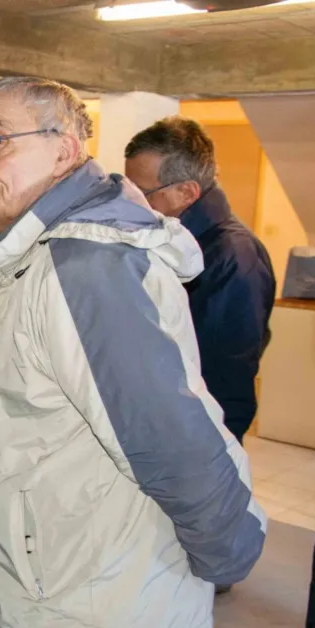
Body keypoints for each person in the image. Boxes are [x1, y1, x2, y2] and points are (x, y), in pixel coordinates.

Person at [0, 76, 266, 628]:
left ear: (65, 151)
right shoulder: (60, 252)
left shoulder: (82, 265)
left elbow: (167, 438)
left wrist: (228, 548)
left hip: (99, 609)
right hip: (85, 581)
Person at [125, 116, 275, 446]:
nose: (132, 204)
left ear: (186, 192)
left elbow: (223, 378)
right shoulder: (172, 241)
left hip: (192, 438)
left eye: (142, 193)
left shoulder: (232, 258)